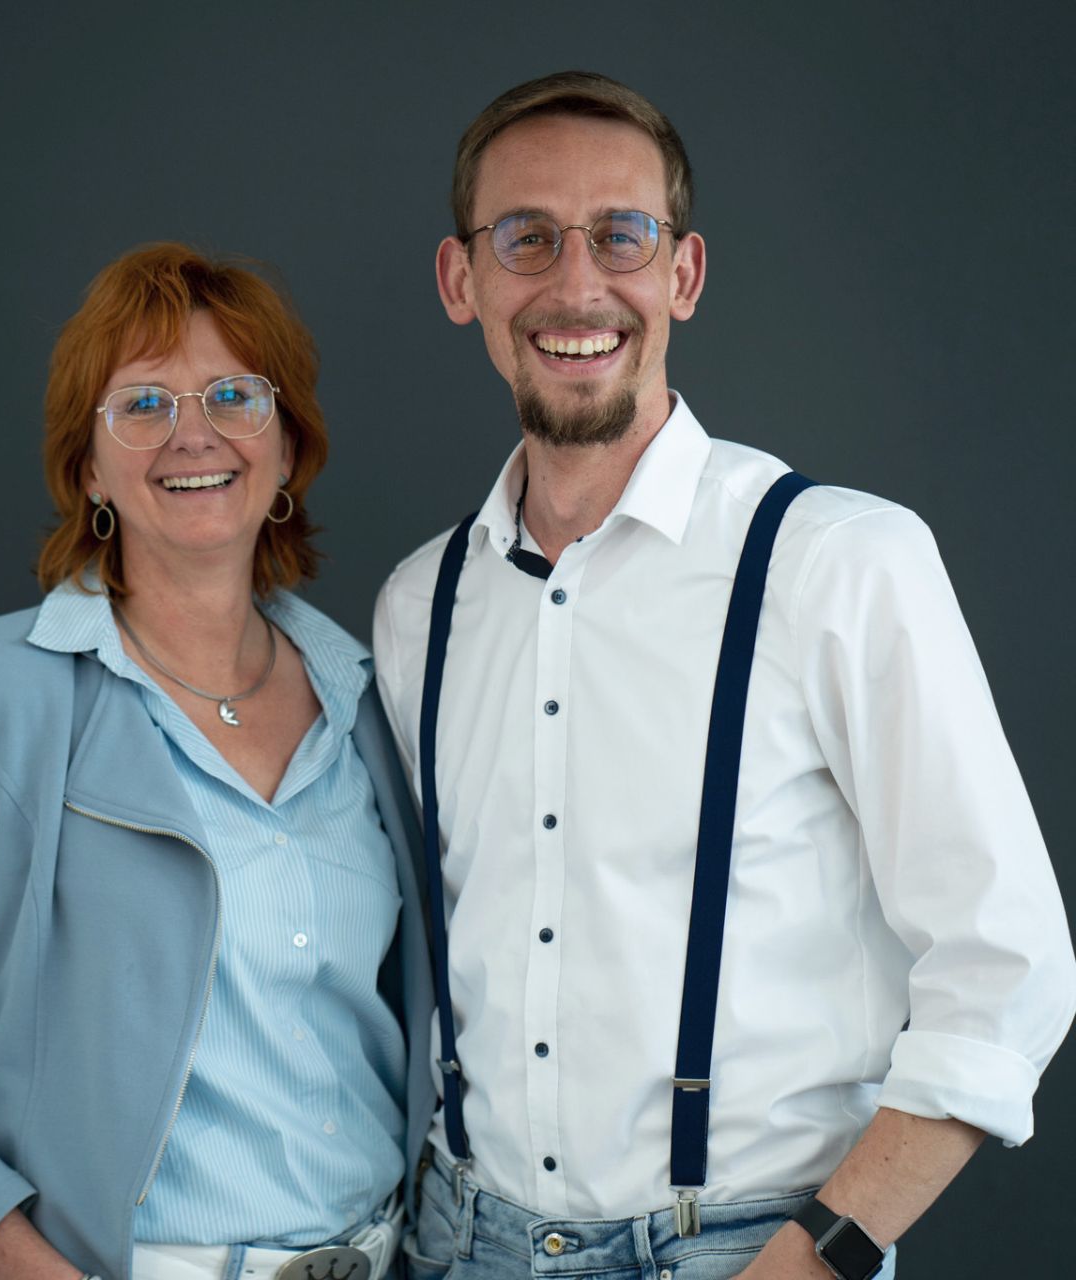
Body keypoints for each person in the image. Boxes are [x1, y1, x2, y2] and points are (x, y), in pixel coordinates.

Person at [373, 71, 1075, 1280]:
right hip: (459, 1241)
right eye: (526, 237)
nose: (576, 285)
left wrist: (821, 1252)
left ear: (682, 274)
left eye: (621, 235)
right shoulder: (416, 606)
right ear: (460, 280)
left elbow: (1006, 965)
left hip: (749, 1248)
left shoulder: (838, 561)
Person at [0, 243, 434, 1280]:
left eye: (235, 395)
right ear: (89, 467)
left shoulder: (370, 696)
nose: (194, 433)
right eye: (142, 404)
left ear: (285, 446)